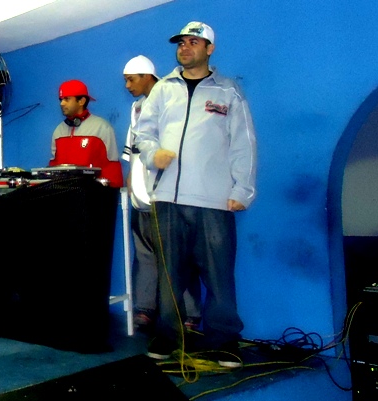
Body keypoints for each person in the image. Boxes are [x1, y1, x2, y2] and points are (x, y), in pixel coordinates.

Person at [134, 21, 257, 368]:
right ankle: (168, 335)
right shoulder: (163, 90)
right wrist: (152, 153)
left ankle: (224, 340)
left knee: (219, 275)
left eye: (193, 42)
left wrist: (243, 189)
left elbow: (244, 143)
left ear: (209, 49)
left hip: (213, 200)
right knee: (169, 274)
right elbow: (144, 133)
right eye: (181, 43)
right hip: (167, 199)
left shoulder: (229, 92)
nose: (185, 48)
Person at [120, 55, 203, 336]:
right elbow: (133, 151)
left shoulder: (171, 100)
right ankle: (146, 309)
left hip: (168, 198)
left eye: (131, 80)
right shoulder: (136, 109)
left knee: (179, 257)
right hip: (141, 199)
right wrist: (131, 182)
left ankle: (189, 314)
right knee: (145, 256)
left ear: (147, 76)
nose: (128, 86)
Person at [48, 79, 124, 188]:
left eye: (67, 99)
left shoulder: (102, 127)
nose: (62, 103)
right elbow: (54, 167)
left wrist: (111, 192)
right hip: (64, 194)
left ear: (81, 101)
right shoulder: (58, 131)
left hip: (93, 194)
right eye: (61, 99)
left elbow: (111, 166)